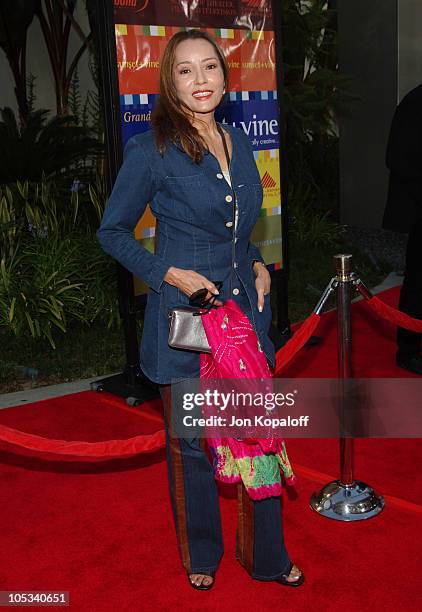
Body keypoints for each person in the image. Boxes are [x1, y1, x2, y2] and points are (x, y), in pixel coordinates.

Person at [96, 30, 304, 590]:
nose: (200, 80)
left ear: (224, 74)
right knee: (191, 446)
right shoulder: (150, 151)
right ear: (169, 80)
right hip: (185, 320)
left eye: (209, 67)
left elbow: (236, 227)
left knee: (257, 433)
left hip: (242, 315)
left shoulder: (239, 138)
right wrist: (167, 272)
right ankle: (202, 556)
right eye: (185, 70)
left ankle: (266, 554)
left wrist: (258, 261)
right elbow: (111, 233)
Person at [383, 83, 422, 375]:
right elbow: (397, 159)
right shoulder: (415, 102)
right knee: (419, 283)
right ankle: (409, 351)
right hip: (419, 212)